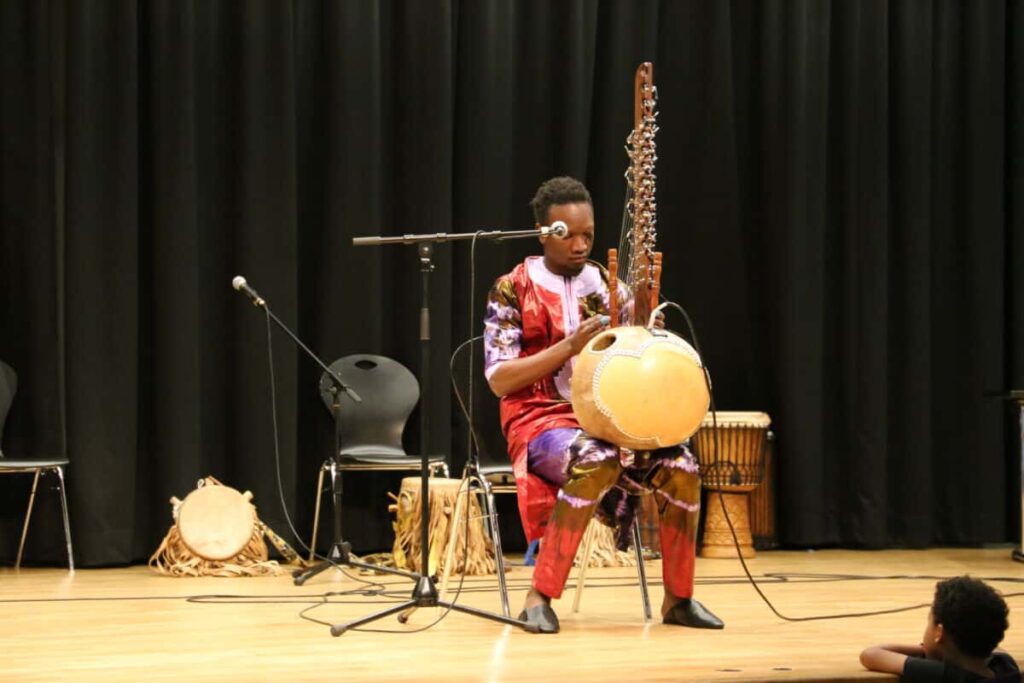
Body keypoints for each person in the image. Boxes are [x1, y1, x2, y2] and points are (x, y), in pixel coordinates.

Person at [482, 176, 723, 634]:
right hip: (538, 420)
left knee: (683, 466)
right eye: (567, 234)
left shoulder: (608, 286)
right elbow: (499, 379)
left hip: (611, 418)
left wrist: (648, 329)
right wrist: (567, 348)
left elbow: (632, 364)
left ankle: (680, 599)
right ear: (543, 232)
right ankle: (539, 596)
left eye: (587, 234)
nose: (579, 244)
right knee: (595, 460)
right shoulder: (512, 288)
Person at [860, 576, 1018, 681]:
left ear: (939, 632)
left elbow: (871, 655)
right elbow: (990, 639)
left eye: (930, 622)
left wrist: (924, 649)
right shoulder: (1006, 667)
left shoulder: (940, 673)